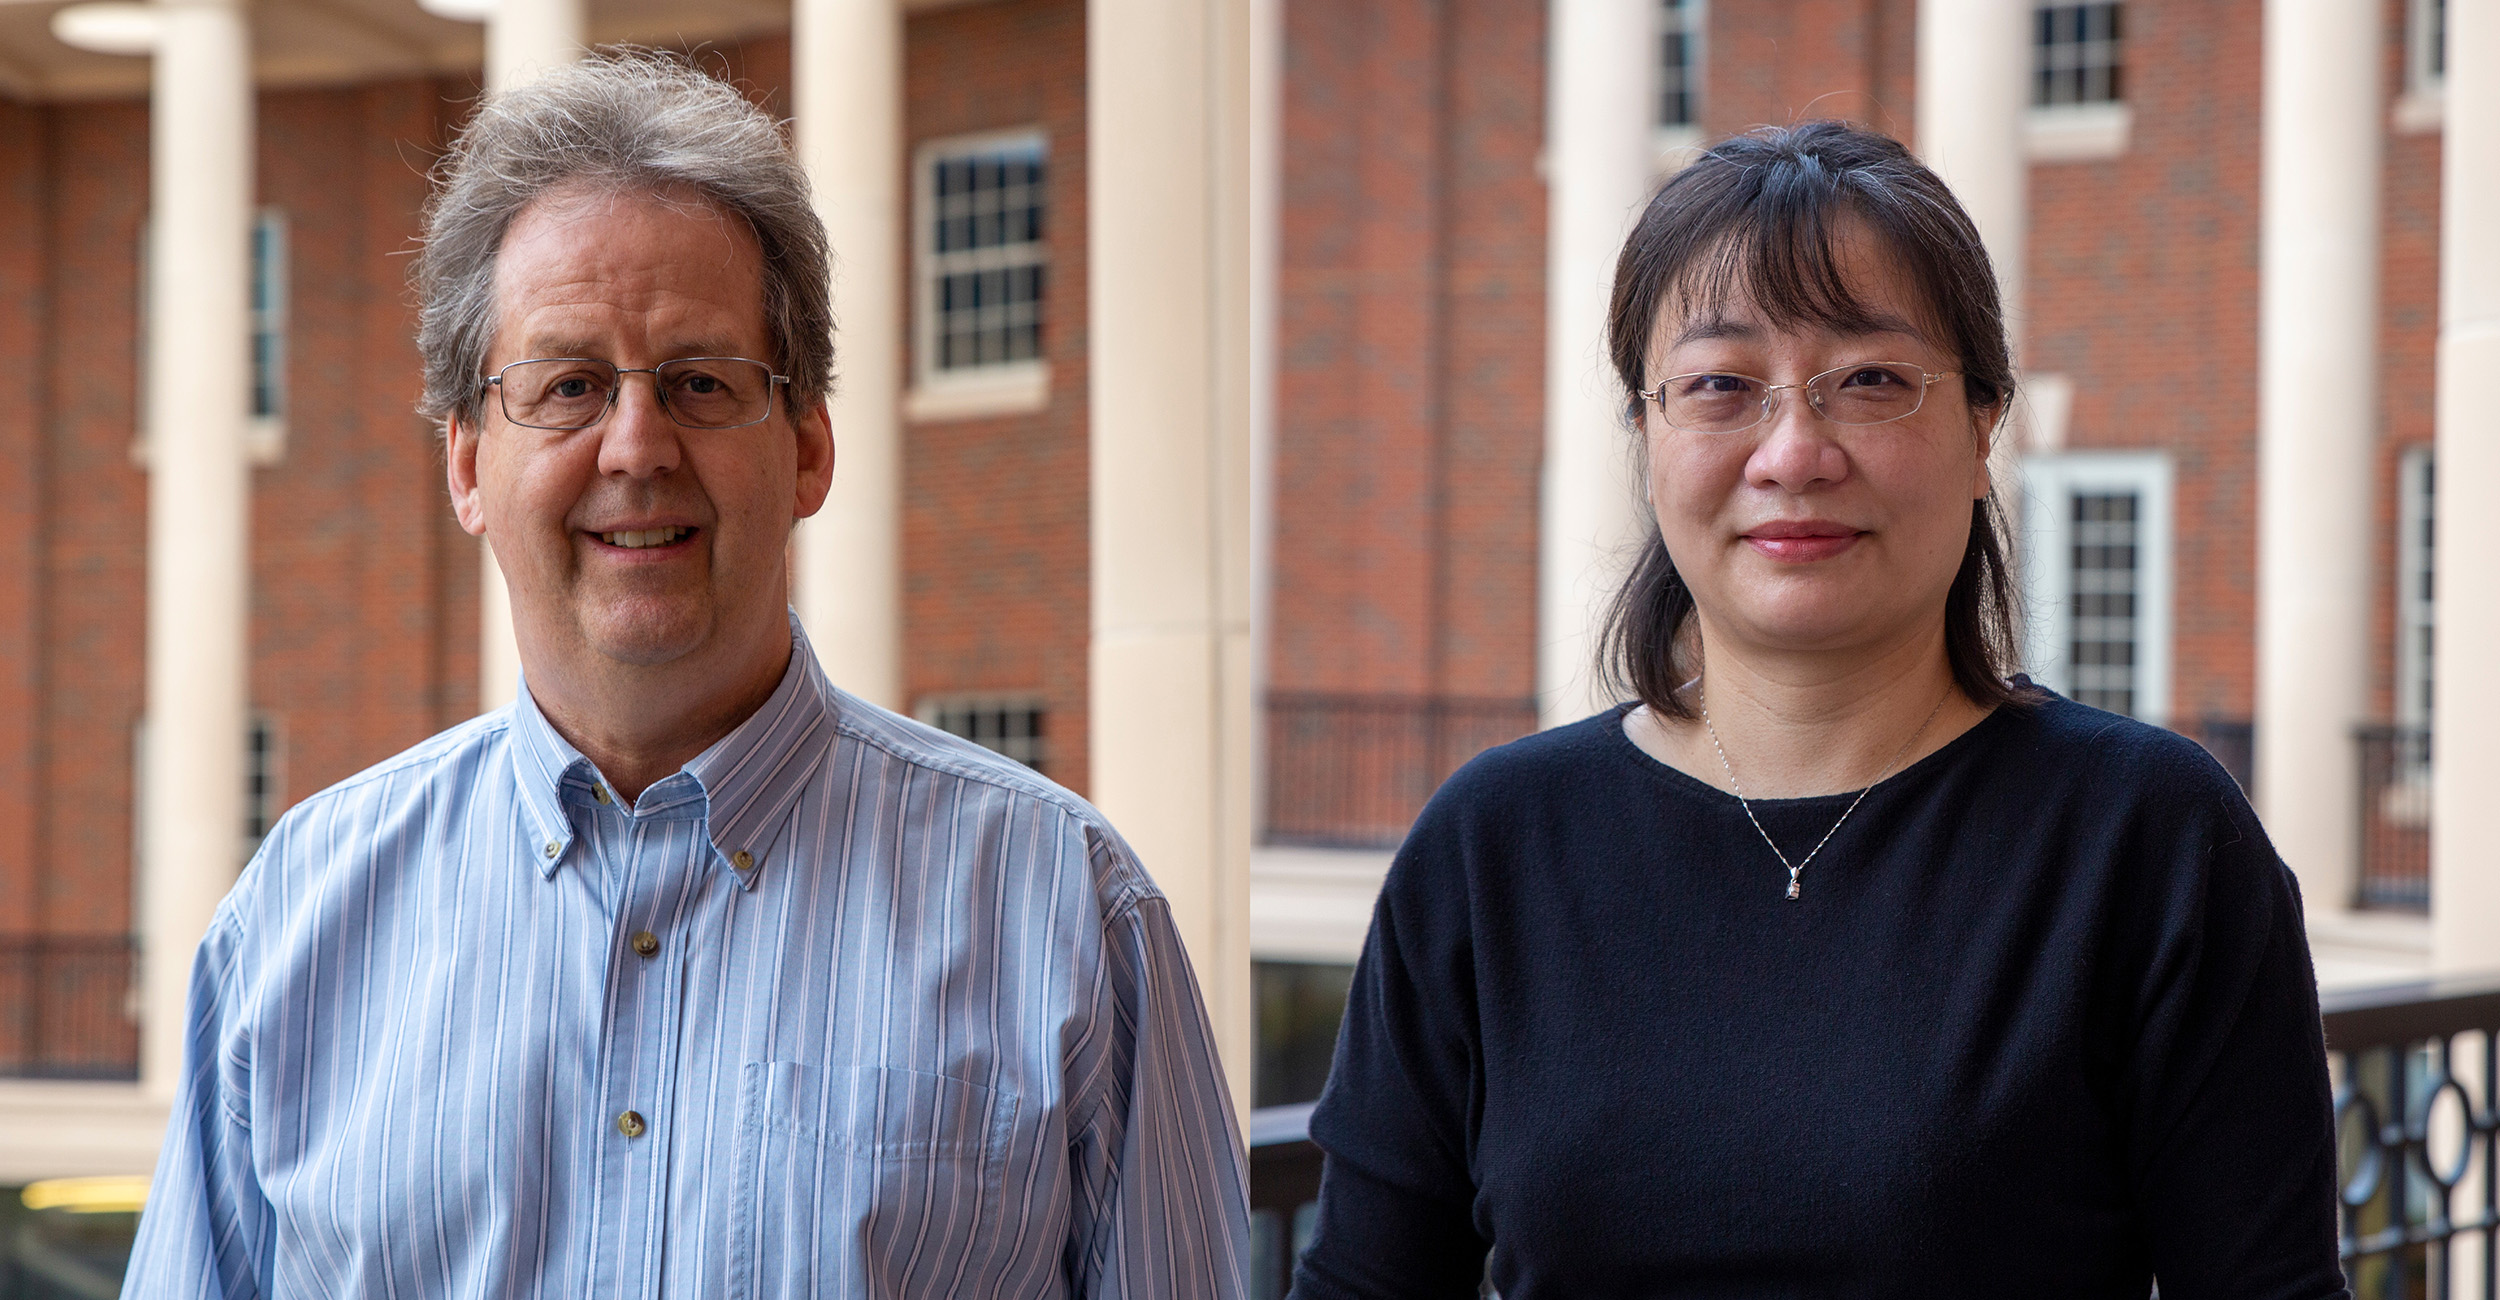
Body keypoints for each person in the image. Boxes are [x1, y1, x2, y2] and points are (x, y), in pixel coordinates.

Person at [123, 51, 1247, 1298]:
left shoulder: (1063, 910)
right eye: (569, 387)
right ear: (466, 463)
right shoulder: (296, 921)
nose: (638, 447)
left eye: (702, 384)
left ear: (809, 447)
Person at [1289, 121, 2346, 1298]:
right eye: (1719, 387)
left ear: (1986, 424)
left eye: (1872, 381)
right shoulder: (1492, 844)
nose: (1792, 452)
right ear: (1645, 435)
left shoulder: (2144, 838)